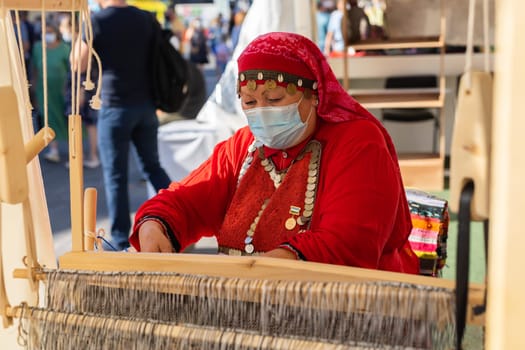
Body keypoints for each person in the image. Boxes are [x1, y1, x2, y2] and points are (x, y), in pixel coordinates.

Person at [129, 32, 419, 274]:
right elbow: (187, 199)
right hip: (249, 299)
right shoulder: (244, 145)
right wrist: (156, 223)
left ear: (314, 94)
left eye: (275, 98)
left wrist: (261, 271)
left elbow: (350, 241)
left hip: (350, 309)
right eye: (250, 102)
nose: (262, 112)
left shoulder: (358, 142)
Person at [72, 0, 171, 250]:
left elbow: (78, 63)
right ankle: (176, 219)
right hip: (146, 106)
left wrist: (82, 32)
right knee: (153, 167)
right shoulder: (145, 18)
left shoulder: (97, 21)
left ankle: (118, 239)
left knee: (116, 177)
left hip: (115, 106)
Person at [31, 22, 70, 163]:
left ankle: (73, 150)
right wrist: (33, 88)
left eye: (49, 31)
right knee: (49, 118)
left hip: (62, 90)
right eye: (44, 32)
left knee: (64, 119)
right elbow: (35, 69)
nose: (46, 35)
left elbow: (71, 71)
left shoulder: (65, 48)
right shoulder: (37, 48)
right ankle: (54, 150)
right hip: (44, 90)